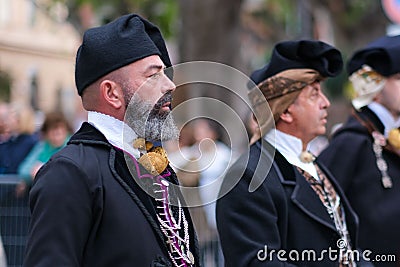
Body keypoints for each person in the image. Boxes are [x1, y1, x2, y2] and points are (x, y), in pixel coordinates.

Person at [24, 14, 200, 267]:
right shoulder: (70, 172)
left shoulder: (150, 162)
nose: (170, 85)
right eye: (153, 76)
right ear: (111, 93)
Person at [216, 40, 372, 266]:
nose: (326, 103)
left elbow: (348, 247)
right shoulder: (247, 177)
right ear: (287, 110)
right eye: (314, 94)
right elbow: (257, 262)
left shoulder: (312, 164)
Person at [319, 35, 400, 266]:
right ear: (373, 84)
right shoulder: (351, 142)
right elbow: (323, 216)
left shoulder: (392, 135)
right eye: (399, 78)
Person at [0, 103, 39, 174]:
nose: (6, 121)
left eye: (10, 117)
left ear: (19, 120)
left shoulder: (32, 142)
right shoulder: (9, 142)